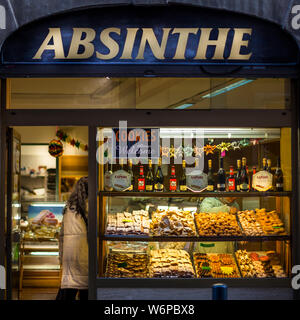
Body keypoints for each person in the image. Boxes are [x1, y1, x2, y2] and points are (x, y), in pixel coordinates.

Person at [56, 176, 88, 300]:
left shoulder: (69, 207)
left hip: (70, 255)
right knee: (85, 291)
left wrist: (61, 256)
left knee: (69, 289)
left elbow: (62, 235)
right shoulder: (91, 206)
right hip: (84, 254)